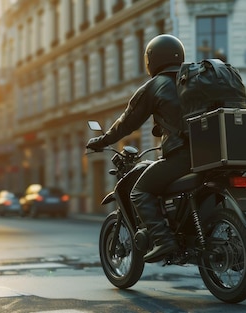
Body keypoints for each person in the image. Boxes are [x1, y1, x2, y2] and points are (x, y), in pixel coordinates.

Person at [86, 34, 190, 261]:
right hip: (212, 155)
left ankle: (164, 240)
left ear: (151, 60)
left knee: (140, 191)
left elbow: (126, 123)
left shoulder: (155, 86)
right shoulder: (192, 81)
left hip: (182, 157)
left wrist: (102, 140)